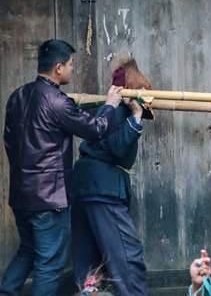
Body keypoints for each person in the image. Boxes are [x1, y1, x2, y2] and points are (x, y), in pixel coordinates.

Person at [1, 39, 122, 296]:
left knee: (29, 250)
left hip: (21, 194)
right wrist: (110, 105)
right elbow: (95, 129)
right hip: (49, 198)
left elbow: (8, 141)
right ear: (58, 68)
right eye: (70, 64)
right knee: (50, 263)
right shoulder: (57, 101)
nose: (72, 69)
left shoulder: (18, 96)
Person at [72, 55, 152, 296]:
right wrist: (137, 117)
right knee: (127, 256)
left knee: (90, 262)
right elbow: (116, 148)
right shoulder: (120, 111)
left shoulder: (106, 108)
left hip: (88, 185)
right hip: (103, 188)